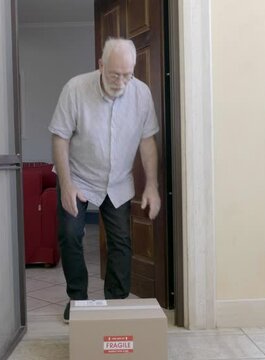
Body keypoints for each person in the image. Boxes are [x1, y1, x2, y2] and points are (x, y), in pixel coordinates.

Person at [48, 38, 161, 323]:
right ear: (101, 65)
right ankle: (77, 300)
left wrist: (152, 186)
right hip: (79, 177)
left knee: (121, 242)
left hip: (118, 181)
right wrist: (67, 184)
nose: (121, 81)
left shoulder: (141, 94)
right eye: (114, 74)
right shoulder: (75, 89)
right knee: (71, 236)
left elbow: (147, 141)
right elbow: (60, 137)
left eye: (127, 74)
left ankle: (117, 302)